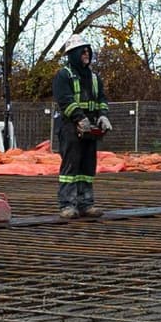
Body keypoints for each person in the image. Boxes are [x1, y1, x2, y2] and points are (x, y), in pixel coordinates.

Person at [48, 38, 110, 219]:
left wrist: (103, 115)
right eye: (82, 51)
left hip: (90, 126)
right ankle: (67, 205)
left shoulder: (94, 77)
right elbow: (64, 99)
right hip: (70, 126)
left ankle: (85, 204)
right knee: (71, 166)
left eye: (88, 50)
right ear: (73, 54)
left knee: (88, 166)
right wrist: (79, 118)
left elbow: (102, 99)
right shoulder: (63, 75)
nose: (86, 54)